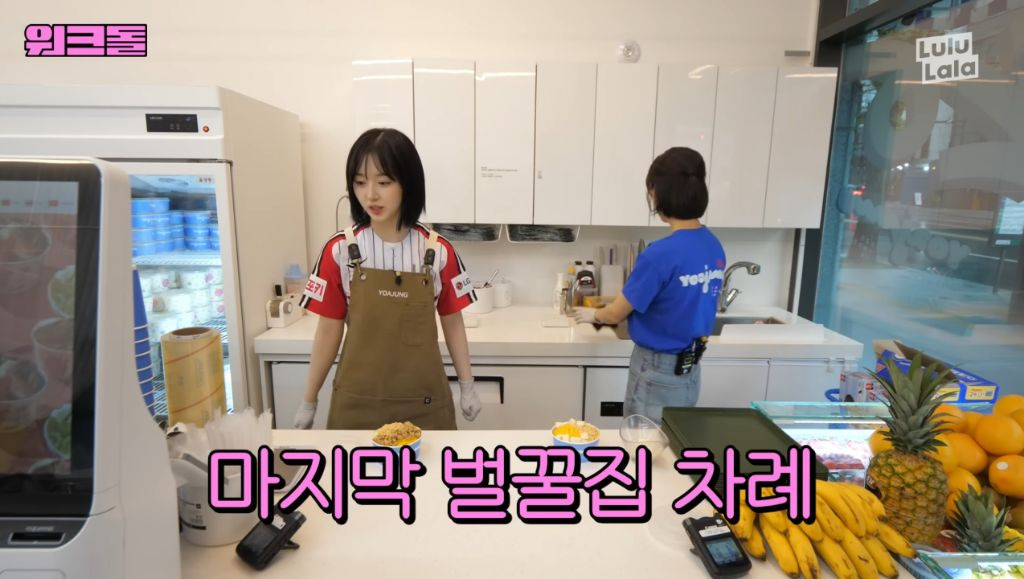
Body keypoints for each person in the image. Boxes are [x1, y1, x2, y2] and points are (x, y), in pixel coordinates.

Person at [293, 128, 482, 430]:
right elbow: (328, 330)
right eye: (360, 182)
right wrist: (309, 399)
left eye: (383, 182)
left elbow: (453, 323)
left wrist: (467, 385)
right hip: (356, 404)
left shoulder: (438, 251)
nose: (370, 194)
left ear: (408, 182)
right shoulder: (339, 251)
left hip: (425, 403)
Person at [574, 147, 725, 425]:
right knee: (675, 439)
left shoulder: (660, 254)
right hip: (690, 371)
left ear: (658, 192)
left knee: (643, 442)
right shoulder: (712, 245)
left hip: (656, 370)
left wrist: (593, 314)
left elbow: (616, 313)